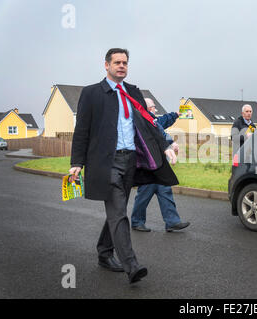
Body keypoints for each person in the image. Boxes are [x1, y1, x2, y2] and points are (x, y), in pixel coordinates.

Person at [69, 48, 178, 284]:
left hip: (131, 161)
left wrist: (166, 145)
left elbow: (150, 124)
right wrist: (77, 162)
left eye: (125, 62)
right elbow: (82, 130)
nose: (122, 66)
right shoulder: (91, 93)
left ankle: (104, 253)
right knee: (119, 212)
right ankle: (132, 265)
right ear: (106, 65)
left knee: (117, 211)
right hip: (106, 162)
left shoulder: (133, 92)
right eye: (117, 62)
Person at [131, 98, 190, 232]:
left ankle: (172, 222)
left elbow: (162, 126)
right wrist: (170, 142)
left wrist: (176, 114)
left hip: (159, 163)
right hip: (148, 164)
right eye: (153, 107)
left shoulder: (153, 120)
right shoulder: (142, 121)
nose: (155, 109)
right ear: (147, 108)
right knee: (144, 194)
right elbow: (157, 134)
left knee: (165, 190)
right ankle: (137, 221)